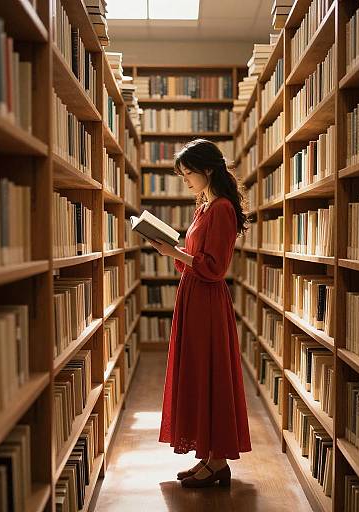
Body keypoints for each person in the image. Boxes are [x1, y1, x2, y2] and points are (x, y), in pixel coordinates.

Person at [149, 138, 252, 488]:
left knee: (209, 371)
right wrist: (173, 249)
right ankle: (208, 457)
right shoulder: (203, 206)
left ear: (208, 170)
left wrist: (172, 252)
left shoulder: (222, 208)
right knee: (197, 371)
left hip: (207, 299)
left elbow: (215, 267)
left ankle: (218, 460)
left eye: (188, 173)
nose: (186, 180)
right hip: (193, 296)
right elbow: (195, 261)